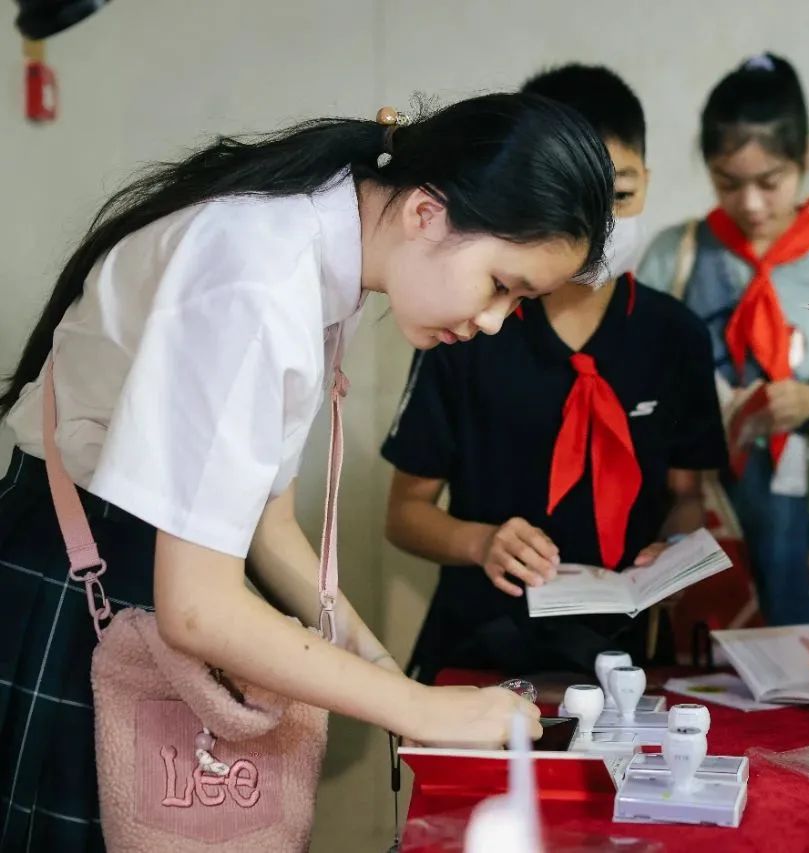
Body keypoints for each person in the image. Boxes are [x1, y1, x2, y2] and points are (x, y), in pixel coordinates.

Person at [0, 93, 614, 850]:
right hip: (75, 582)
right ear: (428, 213)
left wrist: (403, 687)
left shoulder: (321, 253)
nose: (493, 321)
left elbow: (270, 529)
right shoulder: (258, 274)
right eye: (502, 284)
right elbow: (197, 606)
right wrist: (416, 707)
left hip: (122, 573)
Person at [382, 64, 727, 682]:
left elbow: (687, 496)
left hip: (626, 660)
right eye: (578, 204)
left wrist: (672, 556)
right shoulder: (468, 324)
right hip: (481, 652)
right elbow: (405, 512)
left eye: (620, 197)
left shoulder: (675, 336)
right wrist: (481, 543)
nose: (599, 227)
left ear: (647, 180)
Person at [638, 52, 809, 630]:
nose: (750, 204)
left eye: (769, 183)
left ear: (804, 159)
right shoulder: (675, 258)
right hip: (696, 509)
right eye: (729, 183)